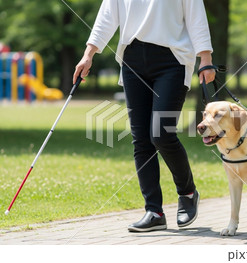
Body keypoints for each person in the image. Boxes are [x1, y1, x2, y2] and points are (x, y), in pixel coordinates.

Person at [73, 0, 216, 232]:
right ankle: (154, 211)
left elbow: (195, 15)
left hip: (172, 60)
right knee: (141, 138)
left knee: (161, 134)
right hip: (132, 60)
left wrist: (206, 58)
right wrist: (89, 54)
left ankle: (187, 193)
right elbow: (107, 15)